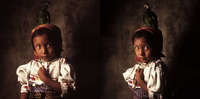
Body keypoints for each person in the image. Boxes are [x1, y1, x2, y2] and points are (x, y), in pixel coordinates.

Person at [16, 24, 76, 99]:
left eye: (48, 45)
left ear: (57, 45)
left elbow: (69, 90)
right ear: (35, 51)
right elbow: (25, 87)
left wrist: (45, 79)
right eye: (38, 46)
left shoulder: (62, 65)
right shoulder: (31, 66)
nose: (44, 51)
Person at [123, 26, 166, 99]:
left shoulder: (157, 69)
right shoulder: (139, 67)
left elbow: (156, 96)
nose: (141, 53)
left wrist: (140, 80)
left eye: (146, 47)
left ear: (154, 47)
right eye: (137, 48)